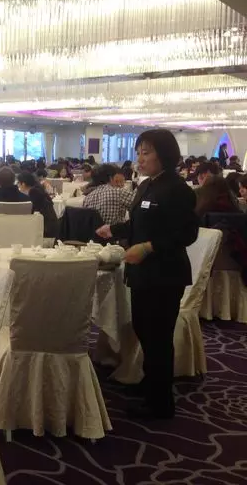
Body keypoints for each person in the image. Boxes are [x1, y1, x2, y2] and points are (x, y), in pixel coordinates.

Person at [96, 129, 198, 420]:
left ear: (164, 154)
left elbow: (186, 234)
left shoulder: (177, 189)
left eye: (146, 152)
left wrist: (149, 247)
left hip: (165, 274)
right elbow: (139, 224)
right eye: (139, 152)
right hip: (142, 272)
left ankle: (161, 404)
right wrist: (114, 229)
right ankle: (152, 385)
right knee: (144, 329)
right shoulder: (146, 185)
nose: (140, 159)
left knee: (158, 337)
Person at [16, 172, 59, 239]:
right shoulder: (37, 189)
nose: (18, 185)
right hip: (50, 226)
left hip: (46, 229)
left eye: (18, 183)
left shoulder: (33, 192)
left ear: (23, 184)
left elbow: (31, 212)